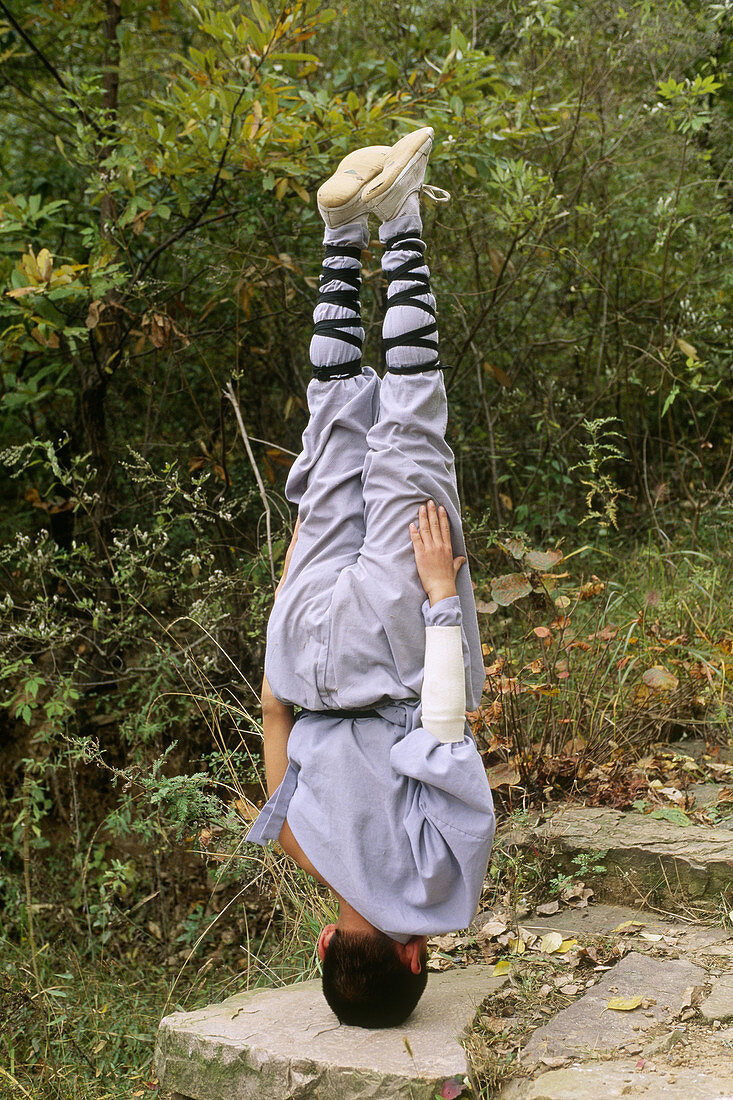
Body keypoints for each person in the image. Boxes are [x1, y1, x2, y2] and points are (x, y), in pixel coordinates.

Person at [246, 127, 496, 1029]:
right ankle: (338, 234)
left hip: (387, 654)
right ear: (324, 945)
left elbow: (443, 734)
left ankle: (397, 220)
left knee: (410, 435)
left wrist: (438, 601)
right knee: (337, 433)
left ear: (410, 952)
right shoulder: (302, 856)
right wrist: (293, 568)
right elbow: (273, 711)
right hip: (300, 647)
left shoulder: (435, 890)